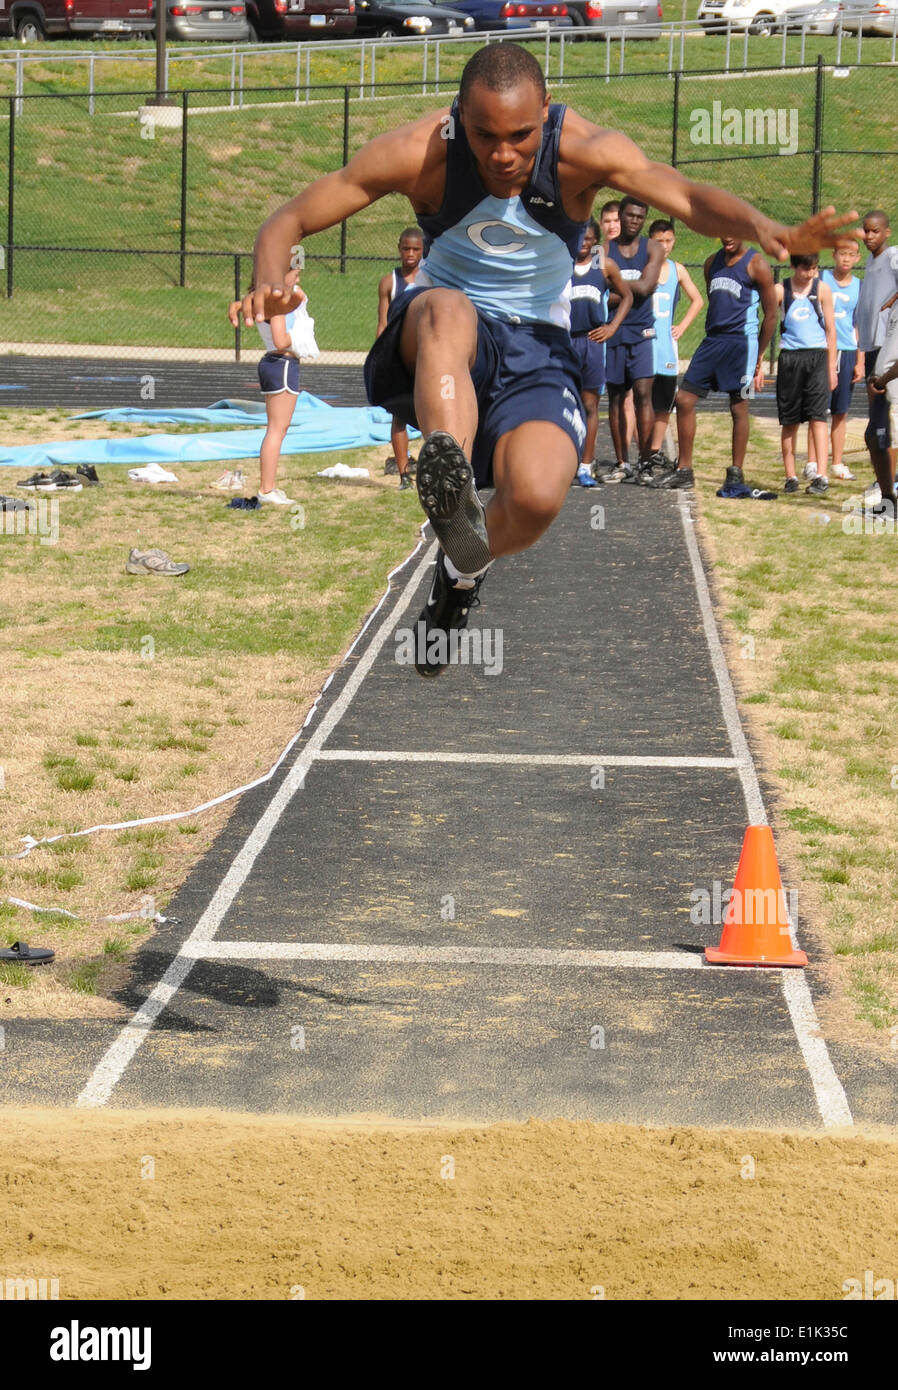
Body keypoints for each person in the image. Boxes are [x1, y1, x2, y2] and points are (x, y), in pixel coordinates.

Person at [230, 42, 859, 677]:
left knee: (533, 499)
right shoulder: (423, 151)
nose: (503, 155)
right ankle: (448, 476)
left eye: (521, 137)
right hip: (448, 338)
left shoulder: (582, 149)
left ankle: (462, 565)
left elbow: (686, 195)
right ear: (458, 115)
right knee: (448, 306)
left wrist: (764, 229)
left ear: (547, 112)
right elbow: (291, 218)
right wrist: (266, 278)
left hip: (540, 350)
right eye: (485, 136)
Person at [663, 235, 778, 493]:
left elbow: (771, 314)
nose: (728, 236)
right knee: (683, 399)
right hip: (713, 341)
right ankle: (684, 470)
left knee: (739, 406)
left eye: (732, 230)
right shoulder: (711, 262)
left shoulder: (757, 263)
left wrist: (759, 356)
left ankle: (736, 472)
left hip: (742, 345)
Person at [604, 196, 665, 483]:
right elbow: (601, 294)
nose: (634, 221)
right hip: (614, 330)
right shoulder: (604, 249)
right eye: (630, 215)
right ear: (621, 215)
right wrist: (631, 290)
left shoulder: (653, 248)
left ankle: (645, 462)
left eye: (640, 217)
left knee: (643, 394)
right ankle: (621, 462)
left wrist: (616, 289)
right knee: (616, 396)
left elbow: (647, 286)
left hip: (642, 332)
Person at [568, 217, 633, 485]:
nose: (583, 244)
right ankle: (564, 460)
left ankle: (586, 465)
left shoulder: (604, 265)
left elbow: (627, 296)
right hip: (565, 342)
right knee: (563, 403)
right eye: (579, 238)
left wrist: (612, 326)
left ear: (595, 240)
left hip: (592, 342)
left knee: (589, 404)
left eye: (588, 239)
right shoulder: (561, 264)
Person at [644, 217, 704, 486]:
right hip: (643, 344)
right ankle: (642, 454)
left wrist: (682, 325)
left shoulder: (677, 270)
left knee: (664, 402)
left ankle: (654, 451)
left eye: (668, 241)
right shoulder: (642, 267)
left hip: (666, 348)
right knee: (639, 400)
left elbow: (698, 300)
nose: (665, 246)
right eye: (659, 241)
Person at [774, 254, 837, 496]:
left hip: (817, 357)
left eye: (814, 268)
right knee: (789, 420)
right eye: (805, 269)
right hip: (791, 357)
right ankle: (790, 476)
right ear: (793, 266)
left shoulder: (822, 289)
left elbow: (831, 329)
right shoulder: (781, 290)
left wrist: (831, 367)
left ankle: (821, 475)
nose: (810, 273)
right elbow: (769, 320)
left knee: (818, 417)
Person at [254, 272, 319, 505]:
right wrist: (302, 334)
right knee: (276, 430)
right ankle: (266, 488)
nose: (299, 275)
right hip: (281, 363)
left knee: (277, 429)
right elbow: (281, 340)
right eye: (293, 272)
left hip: (278, 364)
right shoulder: (276, 303)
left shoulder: (268, 297)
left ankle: (269, 486)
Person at [807, 236, 863, 482]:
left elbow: (858, 323)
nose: (846, 259)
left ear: (858, 258)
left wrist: (860, 359)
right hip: (823, 350)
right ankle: (812, 462)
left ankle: (837, 462)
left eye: (851, 255)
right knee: (817, 409)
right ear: (834, 255)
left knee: (841, 411)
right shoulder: (822, 279)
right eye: (842, 253)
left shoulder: (860, 286)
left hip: (848, 351)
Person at [855, 210, 898, 516]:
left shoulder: (893, 257)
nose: (869, 236)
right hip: (874, 348)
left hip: (890, 350)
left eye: (874, 231)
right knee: (875, 432)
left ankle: (890, 491)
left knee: (887, 426)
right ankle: (887, 496)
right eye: (865, 231)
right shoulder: (870, 263)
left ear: (887, 233)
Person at [377, 227, 425, 491]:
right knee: (399, 417)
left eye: (415, 249)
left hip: (426, 358)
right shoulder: (389, 282)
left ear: (423, 251)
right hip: (398, 359)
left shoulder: (430, 279)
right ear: (399, 248)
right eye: (406, 248)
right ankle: (404, 474)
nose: (410, 254)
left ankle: (432, 471)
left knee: (433, 417)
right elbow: (382, 324)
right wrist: (381, 358)